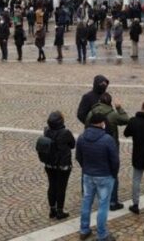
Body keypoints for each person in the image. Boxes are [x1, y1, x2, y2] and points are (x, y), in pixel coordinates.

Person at [76, 112, 119, 241]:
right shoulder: (107, 139)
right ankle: (101, 234)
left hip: (88, 174)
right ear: (101, 123)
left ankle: (84, 230)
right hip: (105, 175)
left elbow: (78, 157)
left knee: (86, 201)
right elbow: (115, 160)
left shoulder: (82, 137)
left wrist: (86, 167)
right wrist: (113, 174)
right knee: (103, 205)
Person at [85, 93, 129, 211]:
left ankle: (94, 198)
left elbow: (86, 128)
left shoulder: (91, 113)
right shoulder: (113, 114)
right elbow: (126, 119)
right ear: (110, 102)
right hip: (111, 146)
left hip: (93, 147)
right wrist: (119, 108)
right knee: (112, 173)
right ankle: (113, 201)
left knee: (95, 172)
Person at [42, 111, 75, 220]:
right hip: (63, 165)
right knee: (61, 187)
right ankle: (60, 211)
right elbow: (72, 144)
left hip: (49, 164)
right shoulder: (65, 133)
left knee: (52, 185)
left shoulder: (46, 131)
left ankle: (52, 210)